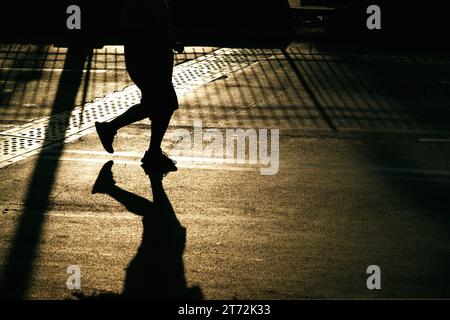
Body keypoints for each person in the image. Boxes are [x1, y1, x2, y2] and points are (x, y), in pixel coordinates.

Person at [95, 0, 183, 173]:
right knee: (163, 104)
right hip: (149, 63)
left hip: (151, 61)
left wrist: (169, 42)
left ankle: (151, 151)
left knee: (157, 105)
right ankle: (149, 150)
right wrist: (164, 41)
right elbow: (147, 29)